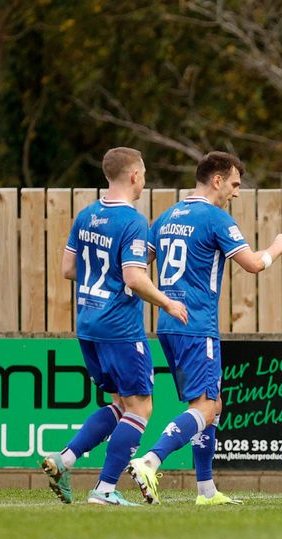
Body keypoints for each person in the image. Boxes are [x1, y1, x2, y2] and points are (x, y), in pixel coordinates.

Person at [126, 151, 282, 506]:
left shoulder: (168, 216)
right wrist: (277, 248)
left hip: (169, 322)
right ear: (217, 180)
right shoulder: (217, 219)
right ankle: (150, 461)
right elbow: (252, 265)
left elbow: (139, 267)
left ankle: (206, 490)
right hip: (197, 324)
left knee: (211, 405)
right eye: (234, 184)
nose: (236, 192)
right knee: (205, 408)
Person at [41, 147, 188, 506]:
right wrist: (167, 301)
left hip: (88, 323)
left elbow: (68, 269)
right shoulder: (133, 221)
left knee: (121, 404)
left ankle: (65, 460)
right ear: (134, 175)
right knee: (141, 408)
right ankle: (105, 490)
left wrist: (100, 279)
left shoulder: (87, 215)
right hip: (119, 326)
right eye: (144, 173)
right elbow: (134, 278)